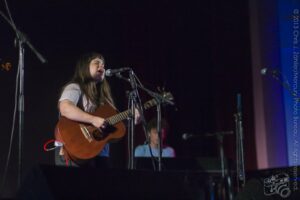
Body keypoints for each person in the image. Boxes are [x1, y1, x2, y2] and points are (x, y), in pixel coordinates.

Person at [55, 52, 140, 167]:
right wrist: (93, 119)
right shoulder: (75, 87)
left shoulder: (104, 98)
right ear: (85, 66)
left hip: (99, 154)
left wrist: (131, 119)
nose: (102, 67)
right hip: (75, 150)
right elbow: (65, 108)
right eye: (97, 63)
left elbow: (112, 125)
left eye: (103, 65)